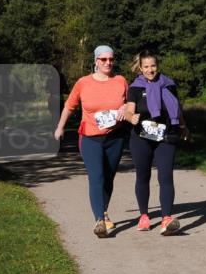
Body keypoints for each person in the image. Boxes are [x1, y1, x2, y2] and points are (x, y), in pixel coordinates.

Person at [54, 45, 129, 237]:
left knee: (109, 177)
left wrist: (126, 109)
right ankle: (99, 220)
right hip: (90, 138)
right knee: (97, 176)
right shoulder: (83, 83)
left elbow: (131, 103)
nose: (108, 63)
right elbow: (69, 106)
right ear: (95, 61)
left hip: (115, 138)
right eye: (103, 59)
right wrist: (60, 127)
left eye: (111, 59)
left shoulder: (121, 81)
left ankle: (103, 211)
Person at [124, 48, 189, 235]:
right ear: (141, 68)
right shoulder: (135, 87)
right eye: (146, 66)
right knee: (143, 176)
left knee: (166, 176)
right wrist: (130, 117)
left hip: (166, 136)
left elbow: (177, 108)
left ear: (157, 66)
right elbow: (129, 110)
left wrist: (184, 127)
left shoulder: (169, 84)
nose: (150, 70)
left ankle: (166, 218)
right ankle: (144, 216)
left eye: (153, 66)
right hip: (141, 137)